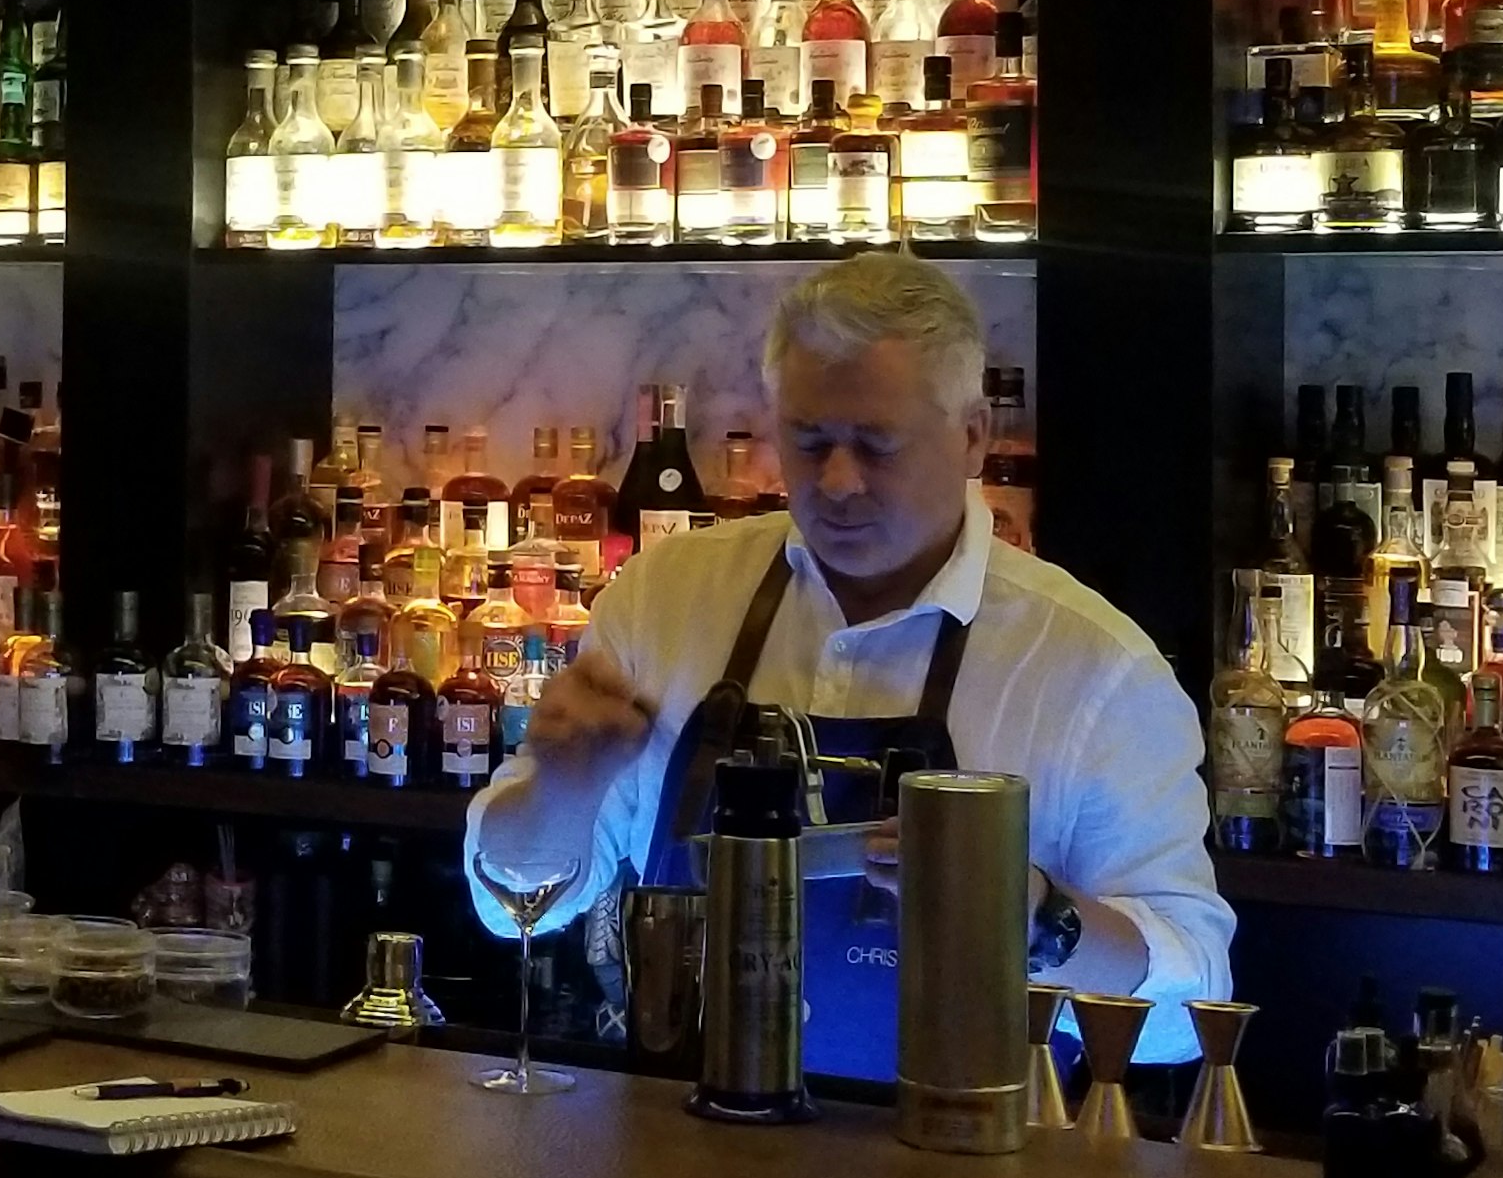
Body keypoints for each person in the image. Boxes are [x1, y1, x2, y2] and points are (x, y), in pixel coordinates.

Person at [464, 251, 1234, 1071]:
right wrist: (561, 786)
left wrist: (1037, 917)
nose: (837, 481)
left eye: (876, 445)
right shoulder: (668, 597)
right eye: (810, 440)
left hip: (958, 1160)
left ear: (974, 435)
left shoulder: (1096, 667)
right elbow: (510, 901)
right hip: (676, 1146)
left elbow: (1191, 1013)